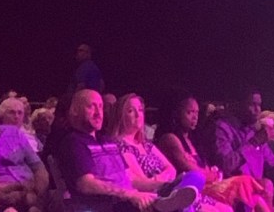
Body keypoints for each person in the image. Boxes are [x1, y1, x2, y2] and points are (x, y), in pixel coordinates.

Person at [56, 89, 199, 212]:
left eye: (100, 107)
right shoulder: (74, 142)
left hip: (133, 199)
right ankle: (166, 204)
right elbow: (86, 184)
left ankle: (167, 201)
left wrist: (164, 186)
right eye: (91, 107)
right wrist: (130, 195)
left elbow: (129, 178)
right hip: (111, 205)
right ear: (74, 111)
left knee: (194, 178)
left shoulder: (107, 142)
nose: (99, 113)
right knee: (183, 204)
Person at [155, 91, 271, 212]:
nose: (195, 117)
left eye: (196, 112)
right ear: (176, 113)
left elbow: (206, 168)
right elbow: (192, 170)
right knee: (244, 182)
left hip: (209, 184)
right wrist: (212, 175)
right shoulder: (170, 139)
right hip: (190, 189)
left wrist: (213, 173)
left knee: (256, 196)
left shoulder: (193, 140)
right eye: (189, 112)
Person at [202, 91, 274, 212]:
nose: (257, 110)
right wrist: (254, 142)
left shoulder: (252, 131)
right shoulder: (222, 128)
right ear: (237, 105)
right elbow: (227, 164)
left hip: (259, 190)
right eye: (252, 105)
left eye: (259, 105)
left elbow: (272, 163)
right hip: (236, 189)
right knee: (266, 184)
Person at [0, 88, 48, 211]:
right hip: (1, 200)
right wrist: (11, 194)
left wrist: (37, 193)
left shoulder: (14, 133)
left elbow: (38, 168)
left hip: (32, 195)